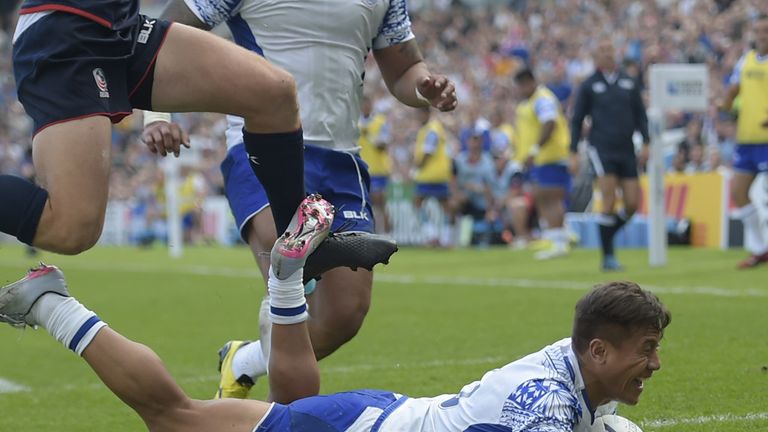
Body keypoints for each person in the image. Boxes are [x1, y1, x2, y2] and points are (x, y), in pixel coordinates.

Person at [0, 222, 671, 430]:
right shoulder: (548, 409)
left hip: (381, 416)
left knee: (288, 407)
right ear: (599, 349)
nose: (656, 364)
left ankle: (289, 286)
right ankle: (52, 303)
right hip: (360, 428)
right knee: (173, 416)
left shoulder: (575, 374)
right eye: (646, 350)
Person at [143, 0, 457, 399]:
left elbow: (404, 69)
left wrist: (425, 86)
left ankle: (244, 362)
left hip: (342, 158)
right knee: (291, 260)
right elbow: (163, 33)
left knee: (344, 314)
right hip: (262, 142)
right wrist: (156, 116)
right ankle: (283, 421)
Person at [2, 0, 308, 260]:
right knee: (71, 230)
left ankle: (297, 243)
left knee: (274, 93)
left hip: (121, 26)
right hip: (65, 30)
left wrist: (156, 116)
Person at [569, 39, 649, 271]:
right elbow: (576, 120)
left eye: (609, 50)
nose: (606, 54)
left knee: (633, 203)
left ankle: (609, 232)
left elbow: (640, 115)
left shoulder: (628, 82)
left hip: (626, 148)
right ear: (595, 56)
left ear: (616, 53)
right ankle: (608, 256)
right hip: (601, 148)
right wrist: (573, 151)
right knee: (609, 199)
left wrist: (646, 142)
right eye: (601, 51)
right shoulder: (589, 85)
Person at [721, 14, 768, 269]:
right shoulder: (746, 60)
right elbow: (733, 88)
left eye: (766, 30)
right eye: (759, 31)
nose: (762, 35)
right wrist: (725, 105)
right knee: (739, 193)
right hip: (747, 138)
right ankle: (761, 249)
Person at [513, 68, 572, 260]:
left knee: (551, 197)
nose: (520, 90)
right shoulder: (531, 102)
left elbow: (550, 122)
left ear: (529, 82)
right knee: (542, 197)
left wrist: (535, 149)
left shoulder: (542, 98)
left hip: (551, 156)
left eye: (521, 86)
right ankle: (555, 239)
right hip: (542, 159)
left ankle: (560, 242)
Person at [413, 107, 454, 247]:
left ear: (426, 113)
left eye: (420, 113)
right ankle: (446, 237)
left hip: (430, 174)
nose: (418, 116)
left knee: (418, 201)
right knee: (445, 205)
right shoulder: (431, 128)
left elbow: (428, 151)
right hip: (439, 173)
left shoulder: (432, 129)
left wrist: (417, 165)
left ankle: (432, 235)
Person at [359, 95, 393, 234]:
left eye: (368, 104)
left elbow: (384, 144)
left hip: (378, 168)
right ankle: (371, 233)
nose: (366, 107)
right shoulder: (356, 123)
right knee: (366, 204)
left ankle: (388, 233)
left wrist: (370, 137)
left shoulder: (380, 122)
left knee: (379, 202)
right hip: (362, 168)